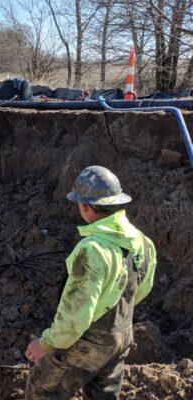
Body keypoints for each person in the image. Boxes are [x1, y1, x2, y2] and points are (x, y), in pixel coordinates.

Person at [25, 165, 157, 400]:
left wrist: (45, 344)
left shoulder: (92, 249)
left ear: (85, 207)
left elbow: (76, 316)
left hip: (90, 343)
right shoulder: (142, 241)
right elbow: (141, 290)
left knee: (42, 390)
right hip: (121, 337)